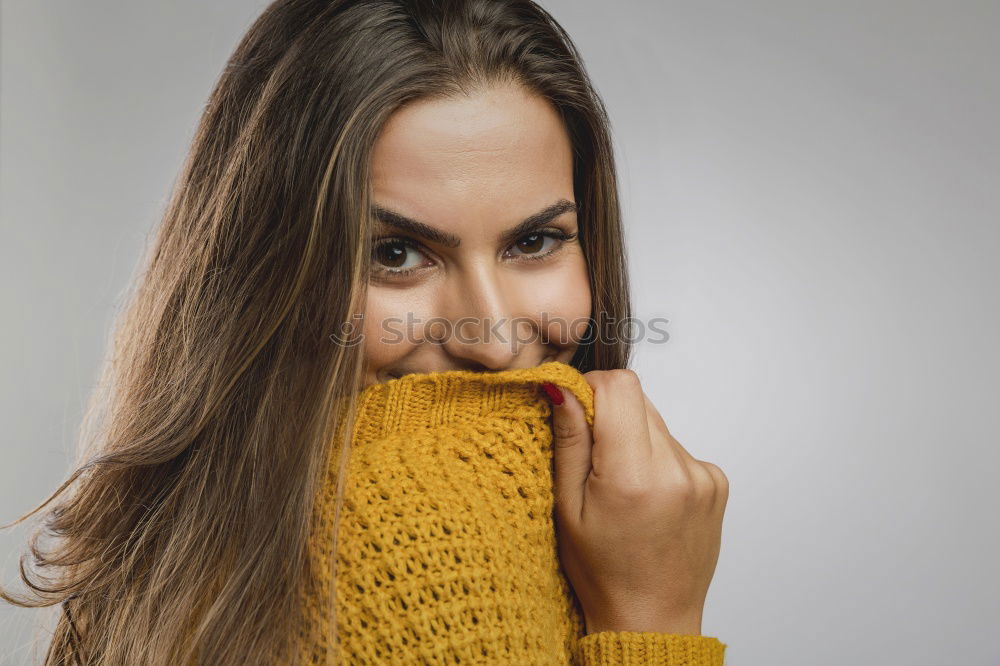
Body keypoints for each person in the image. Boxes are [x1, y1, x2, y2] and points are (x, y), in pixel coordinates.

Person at [1, 1, 728, 663]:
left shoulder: (184, 552)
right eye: (395, 255)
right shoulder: (417, 547)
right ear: (263, 275)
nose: (497, 341)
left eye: (534, 242)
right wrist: (652, 620)